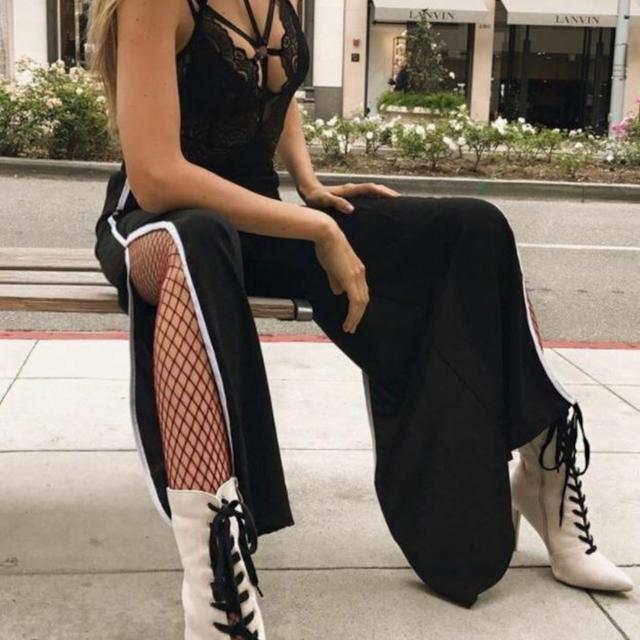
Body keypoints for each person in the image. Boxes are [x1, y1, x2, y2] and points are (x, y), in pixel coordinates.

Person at [88, 0, 634, 637]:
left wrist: (309, 186)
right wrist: (317, 228)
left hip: (254, 216)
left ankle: (543, 470)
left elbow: (275, 93)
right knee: (198, 241)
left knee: (473, 230)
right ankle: (215, 581)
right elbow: (157, 176)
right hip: (156, 223)